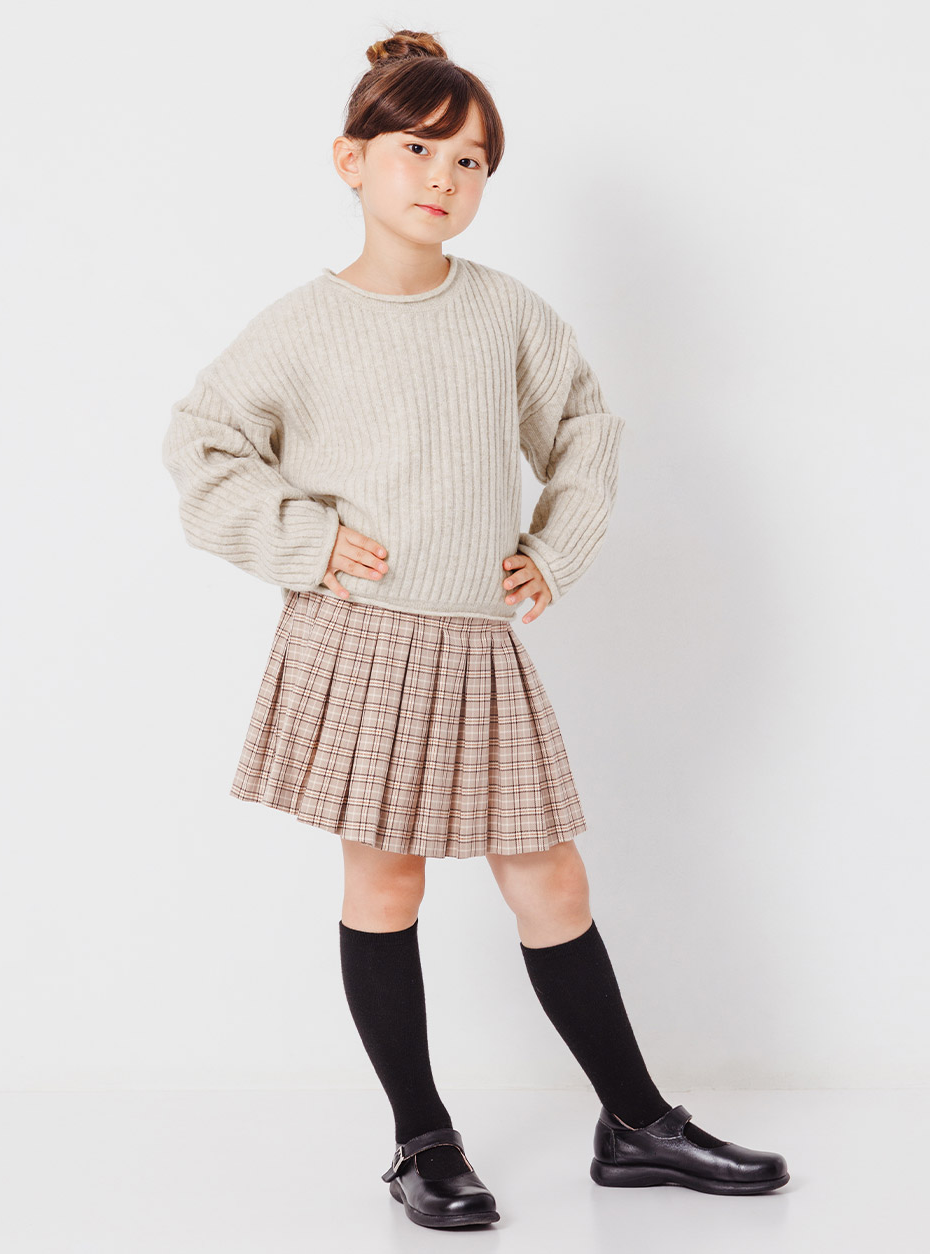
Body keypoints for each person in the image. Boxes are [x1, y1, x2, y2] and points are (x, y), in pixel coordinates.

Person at [161, 27, 789, 1231]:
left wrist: (552, 548)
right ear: (350, 159)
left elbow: (584, 429)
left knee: (548, 873)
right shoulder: (300, 325)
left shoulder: (504, 313)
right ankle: (421, 1139)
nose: (444, 175)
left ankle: (634, 1124)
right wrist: (301, 538)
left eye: (472, 160)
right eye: (417, 147)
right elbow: (202, 442)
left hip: (475, 644)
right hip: (359, 640)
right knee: (384, 879)